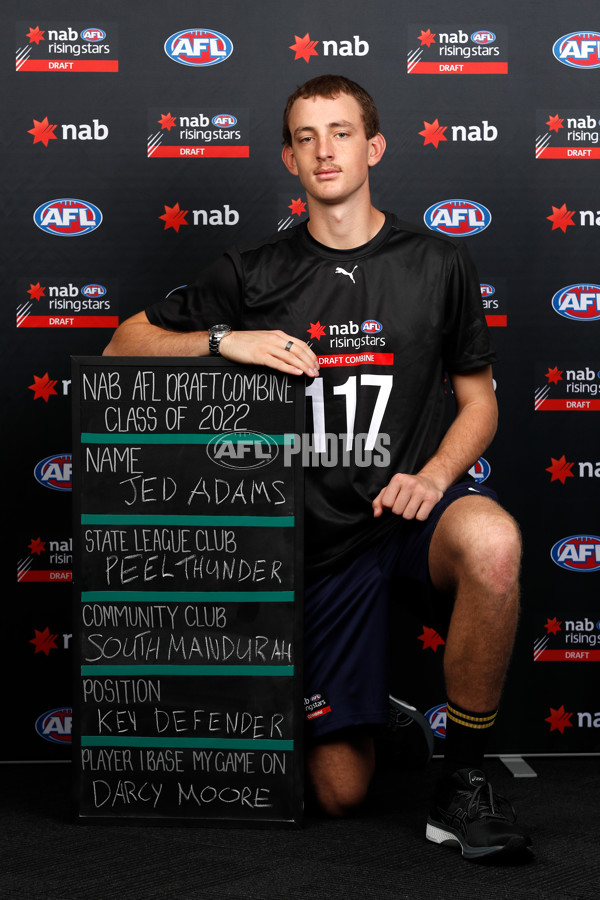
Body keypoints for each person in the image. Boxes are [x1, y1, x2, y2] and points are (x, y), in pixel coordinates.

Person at [104, 75, 531, 860]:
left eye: (341, 132)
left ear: (374, 147)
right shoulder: (251, 271)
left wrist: (435, 477)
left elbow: (480, 402)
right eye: (306, 137)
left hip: (404, 517)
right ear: (288, 159)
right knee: (339, 794)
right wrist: (221, 340)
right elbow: (119, 347)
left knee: (493, 543)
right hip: (313, 551)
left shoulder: (438, 261)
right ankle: (380, 714)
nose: (324, 149)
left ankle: (464, 780)